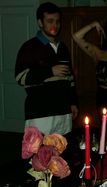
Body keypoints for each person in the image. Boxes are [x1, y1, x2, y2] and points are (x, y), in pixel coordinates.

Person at [15, 2, 78, 136]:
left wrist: (73, 103)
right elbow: (21, 78)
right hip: (40, 114)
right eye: (50, 21)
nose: (55, 25)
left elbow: (70, 79)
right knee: (38, 154)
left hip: (63, 112)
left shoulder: (63, 47)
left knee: (61, 154)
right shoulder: (29, 47)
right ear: (40, 22)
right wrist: (50, 71)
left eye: (57, 21)